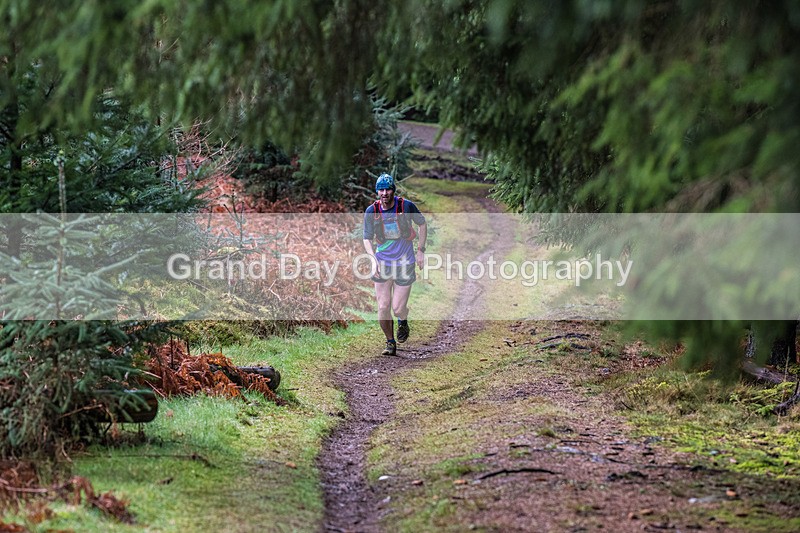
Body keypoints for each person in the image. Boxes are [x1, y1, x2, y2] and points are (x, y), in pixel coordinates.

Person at [363, 173, 427, 356]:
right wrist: (372, 259)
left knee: (398, 308)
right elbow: (367, 238)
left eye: (388, 189)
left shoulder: (406, 206)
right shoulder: (372, 211)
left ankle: (402, 320)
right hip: (382, 263)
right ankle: (390, 342)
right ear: (377, 192)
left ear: (393, 190)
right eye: (381, 190)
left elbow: (422, 224)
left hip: (405, 263)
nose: (385, 193)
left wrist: (421, 250)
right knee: (383, 307)